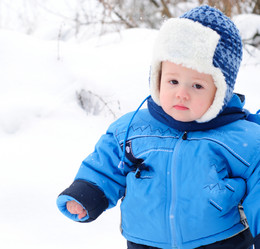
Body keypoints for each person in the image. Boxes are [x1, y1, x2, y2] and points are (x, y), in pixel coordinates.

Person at [56, 5, 260, 249]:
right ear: (157, 78)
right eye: (173, 81)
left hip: (221, 242)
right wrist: (88, 192)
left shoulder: (244, 139)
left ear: (221, 92)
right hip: (145, 240)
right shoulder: (133, 129)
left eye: (197, 86)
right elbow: (107, 164)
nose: (181, 93)